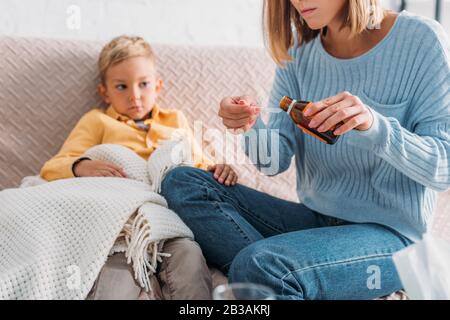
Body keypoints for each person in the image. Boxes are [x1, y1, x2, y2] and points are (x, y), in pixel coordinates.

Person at [160, 0, 450, 300]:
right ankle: (290, 274)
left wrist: (375, 127)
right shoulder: (299, 52)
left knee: (261, 263)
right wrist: (250, 125)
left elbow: (444, 167)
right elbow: (275, 161)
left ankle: (275, 272)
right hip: (316, 220)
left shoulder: (420, 39)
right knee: (182, 182)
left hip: (393, 238)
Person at [41, 35, 239, 299]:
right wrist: (82, 166)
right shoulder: (97, 121)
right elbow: (53, 167)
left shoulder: (175, 120)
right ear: (104, 92)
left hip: (170, 220)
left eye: (143, 85)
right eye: (121, 87)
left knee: (190, 258)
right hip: (122, 225)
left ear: (157, 86)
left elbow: (196, 166)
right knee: (118, 274)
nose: (135, 96)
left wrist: (218, 171)